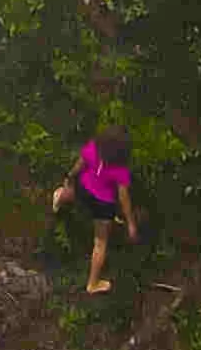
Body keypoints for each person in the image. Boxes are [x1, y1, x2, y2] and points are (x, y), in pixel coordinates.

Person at [49, 124, 140, 294]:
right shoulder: (120, 169)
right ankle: (93, 283)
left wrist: (69, 176)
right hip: (102, 203)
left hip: (84, 188)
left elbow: (79, 164)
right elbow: (123, 197)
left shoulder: (93, 147)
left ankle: (59, 200)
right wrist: (131, 223)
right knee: (100, 242)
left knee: (72, 191)